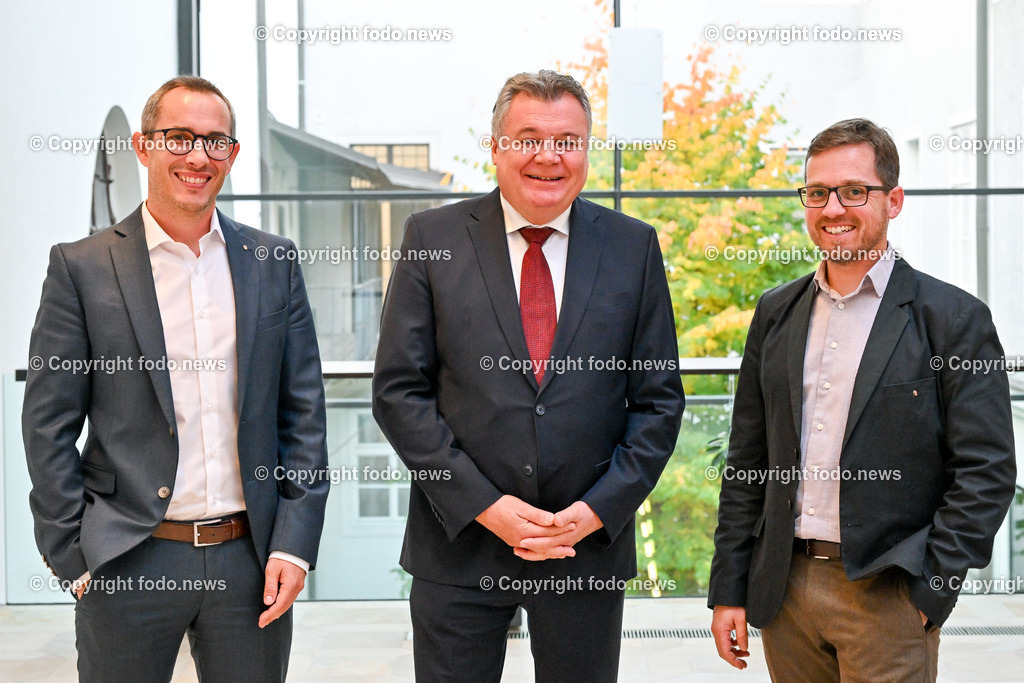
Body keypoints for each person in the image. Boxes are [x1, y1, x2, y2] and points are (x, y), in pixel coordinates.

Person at [372, 70, 685, 682]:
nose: (549, 156)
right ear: (496, 148)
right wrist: (486, 506)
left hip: (584, 548)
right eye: (528, 138)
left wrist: (596, 511)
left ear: (586, 151)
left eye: (568, 140)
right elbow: (398, 393)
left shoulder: (632, 246)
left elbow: (658, 402)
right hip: (458, 546)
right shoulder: (431, 238)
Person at [23, 75, 330, 682]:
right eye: (179, 137)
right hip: (127, 557)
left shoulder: (273, 262)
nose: (198, 156)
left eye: (215, 141)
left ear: (233, 155)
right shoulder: (81, 268)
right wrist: (72, 554)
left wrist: (293, 543)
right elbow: (49, 422)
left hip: (251, 562)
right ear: (143, 147)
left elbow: (304, 416)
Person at [707, 118, 1016, 681]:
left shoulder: (951, 319)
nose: (833, 208)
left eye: (854, 191)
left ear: (893, 200)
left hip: (888, 594)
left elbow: (986, 471)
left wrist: (929, 594)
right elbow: (747, 462)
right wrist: (729, 587)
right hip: (785, 593)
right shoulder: (776, 313)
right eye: (817, 192)